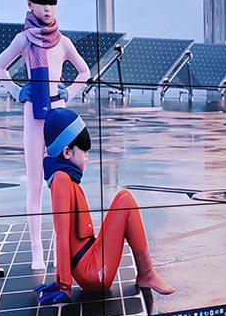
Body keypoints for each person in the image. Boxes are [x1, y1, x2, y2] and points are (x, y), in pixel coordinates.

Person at [0, 0, 92, 271]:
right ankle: (37, 250)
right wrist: (17, 92)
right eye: (41, 1)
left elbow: (85, 72)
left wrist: (68, 91)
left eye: (51, 2)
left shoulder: (64, 42)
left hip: (59, 119)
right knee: (34, 183)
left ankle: (65, 247)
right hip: (34, 116)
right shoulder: (23, 39)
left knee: (63, 182)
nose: (47, 8)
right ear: (29, 4)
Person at [34, 108, 174, 304]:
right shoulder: (61, 180)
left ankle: (147, 274)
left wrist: (60, 281)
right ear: (66, 152)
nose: (87, 156)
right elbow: (62, 235)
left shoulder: (64, 178)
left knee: (124, 198)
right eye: (84, 150)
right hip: (92, 272)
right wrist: (64, 285)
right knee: (125, 201)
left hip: (90, 258)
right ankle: (147, 274)